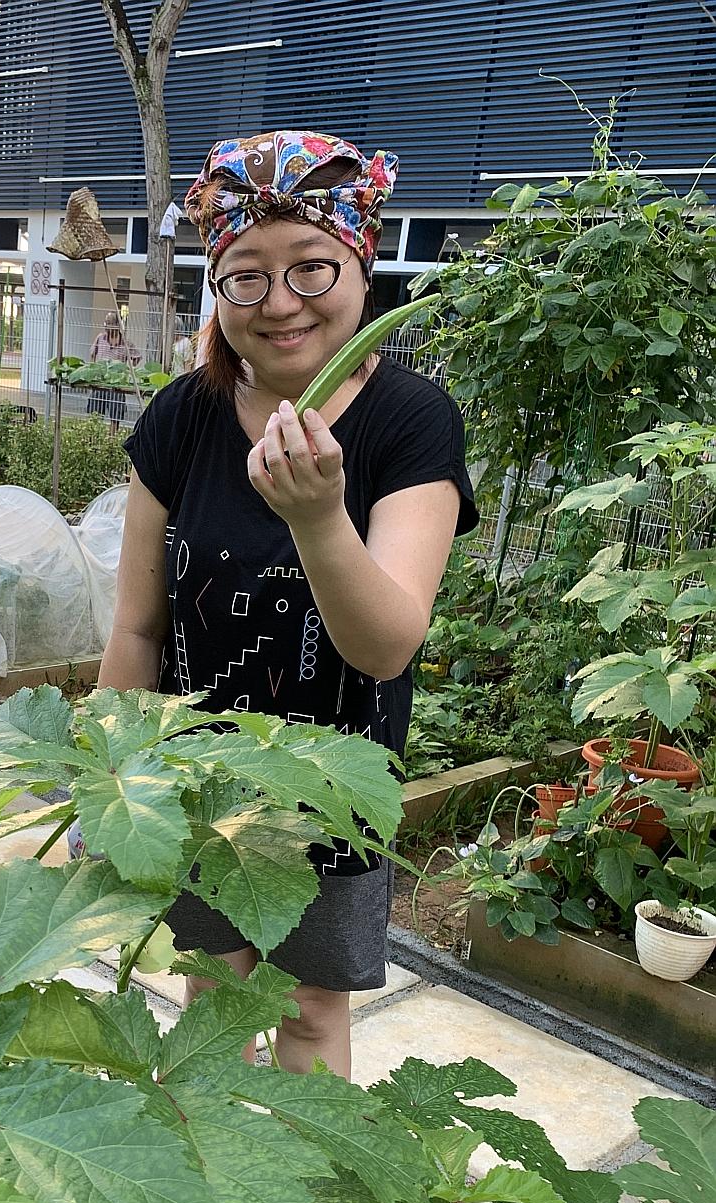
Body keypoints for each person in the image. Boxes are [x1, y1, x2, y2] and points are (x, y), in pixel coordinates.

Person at [96, 130, 479, 1079]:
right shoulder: (181, 418)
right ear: (216, 289)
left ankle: (311, 1202)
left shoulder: (410, 421)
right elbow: (139, 627)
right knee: (215, 997)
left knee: (309, 1014)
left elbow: (386, 646)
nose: (280, 304)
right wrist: (104, 780)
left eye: (311, 268)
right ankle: (224, 1200)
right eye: (245, 277)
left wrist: (316, 516)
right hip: (202, 786)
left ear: (360, 264)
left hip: (333, 788)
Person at [87, 310, 140, 431]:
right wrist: (94, 370)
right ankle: (93, 441)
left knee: (115, 417)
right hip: (99, 383)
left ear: (117, 325)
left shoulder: (125, 343)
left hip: (117, 386)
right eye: (107, 324)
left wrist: (127, 370)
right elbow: (92, 354)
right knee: (95, 415)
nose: (107, 327)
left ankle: (111, 442)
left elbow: (136, 358)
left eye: (110, 323)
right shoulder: (101, 339)